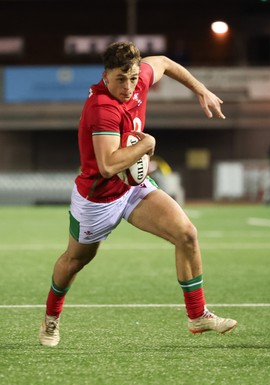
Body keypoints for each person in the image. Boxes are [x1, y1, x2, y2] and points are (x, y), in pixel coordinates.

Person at [39, 41, 237, 347]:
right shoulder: (102, 107)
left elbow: (167, 63)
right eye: (121, 79)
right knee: (75, 261)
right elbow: (106, 166)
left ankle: (197, 315)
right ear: (105, 75)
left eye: (132, 78)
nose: (129, 86)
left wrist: (200, 89)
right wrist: (146, 145)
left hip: (131, 187)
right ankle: (51, 316)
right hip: (98, 199)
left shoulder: (139, 77)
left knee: (186, 233)